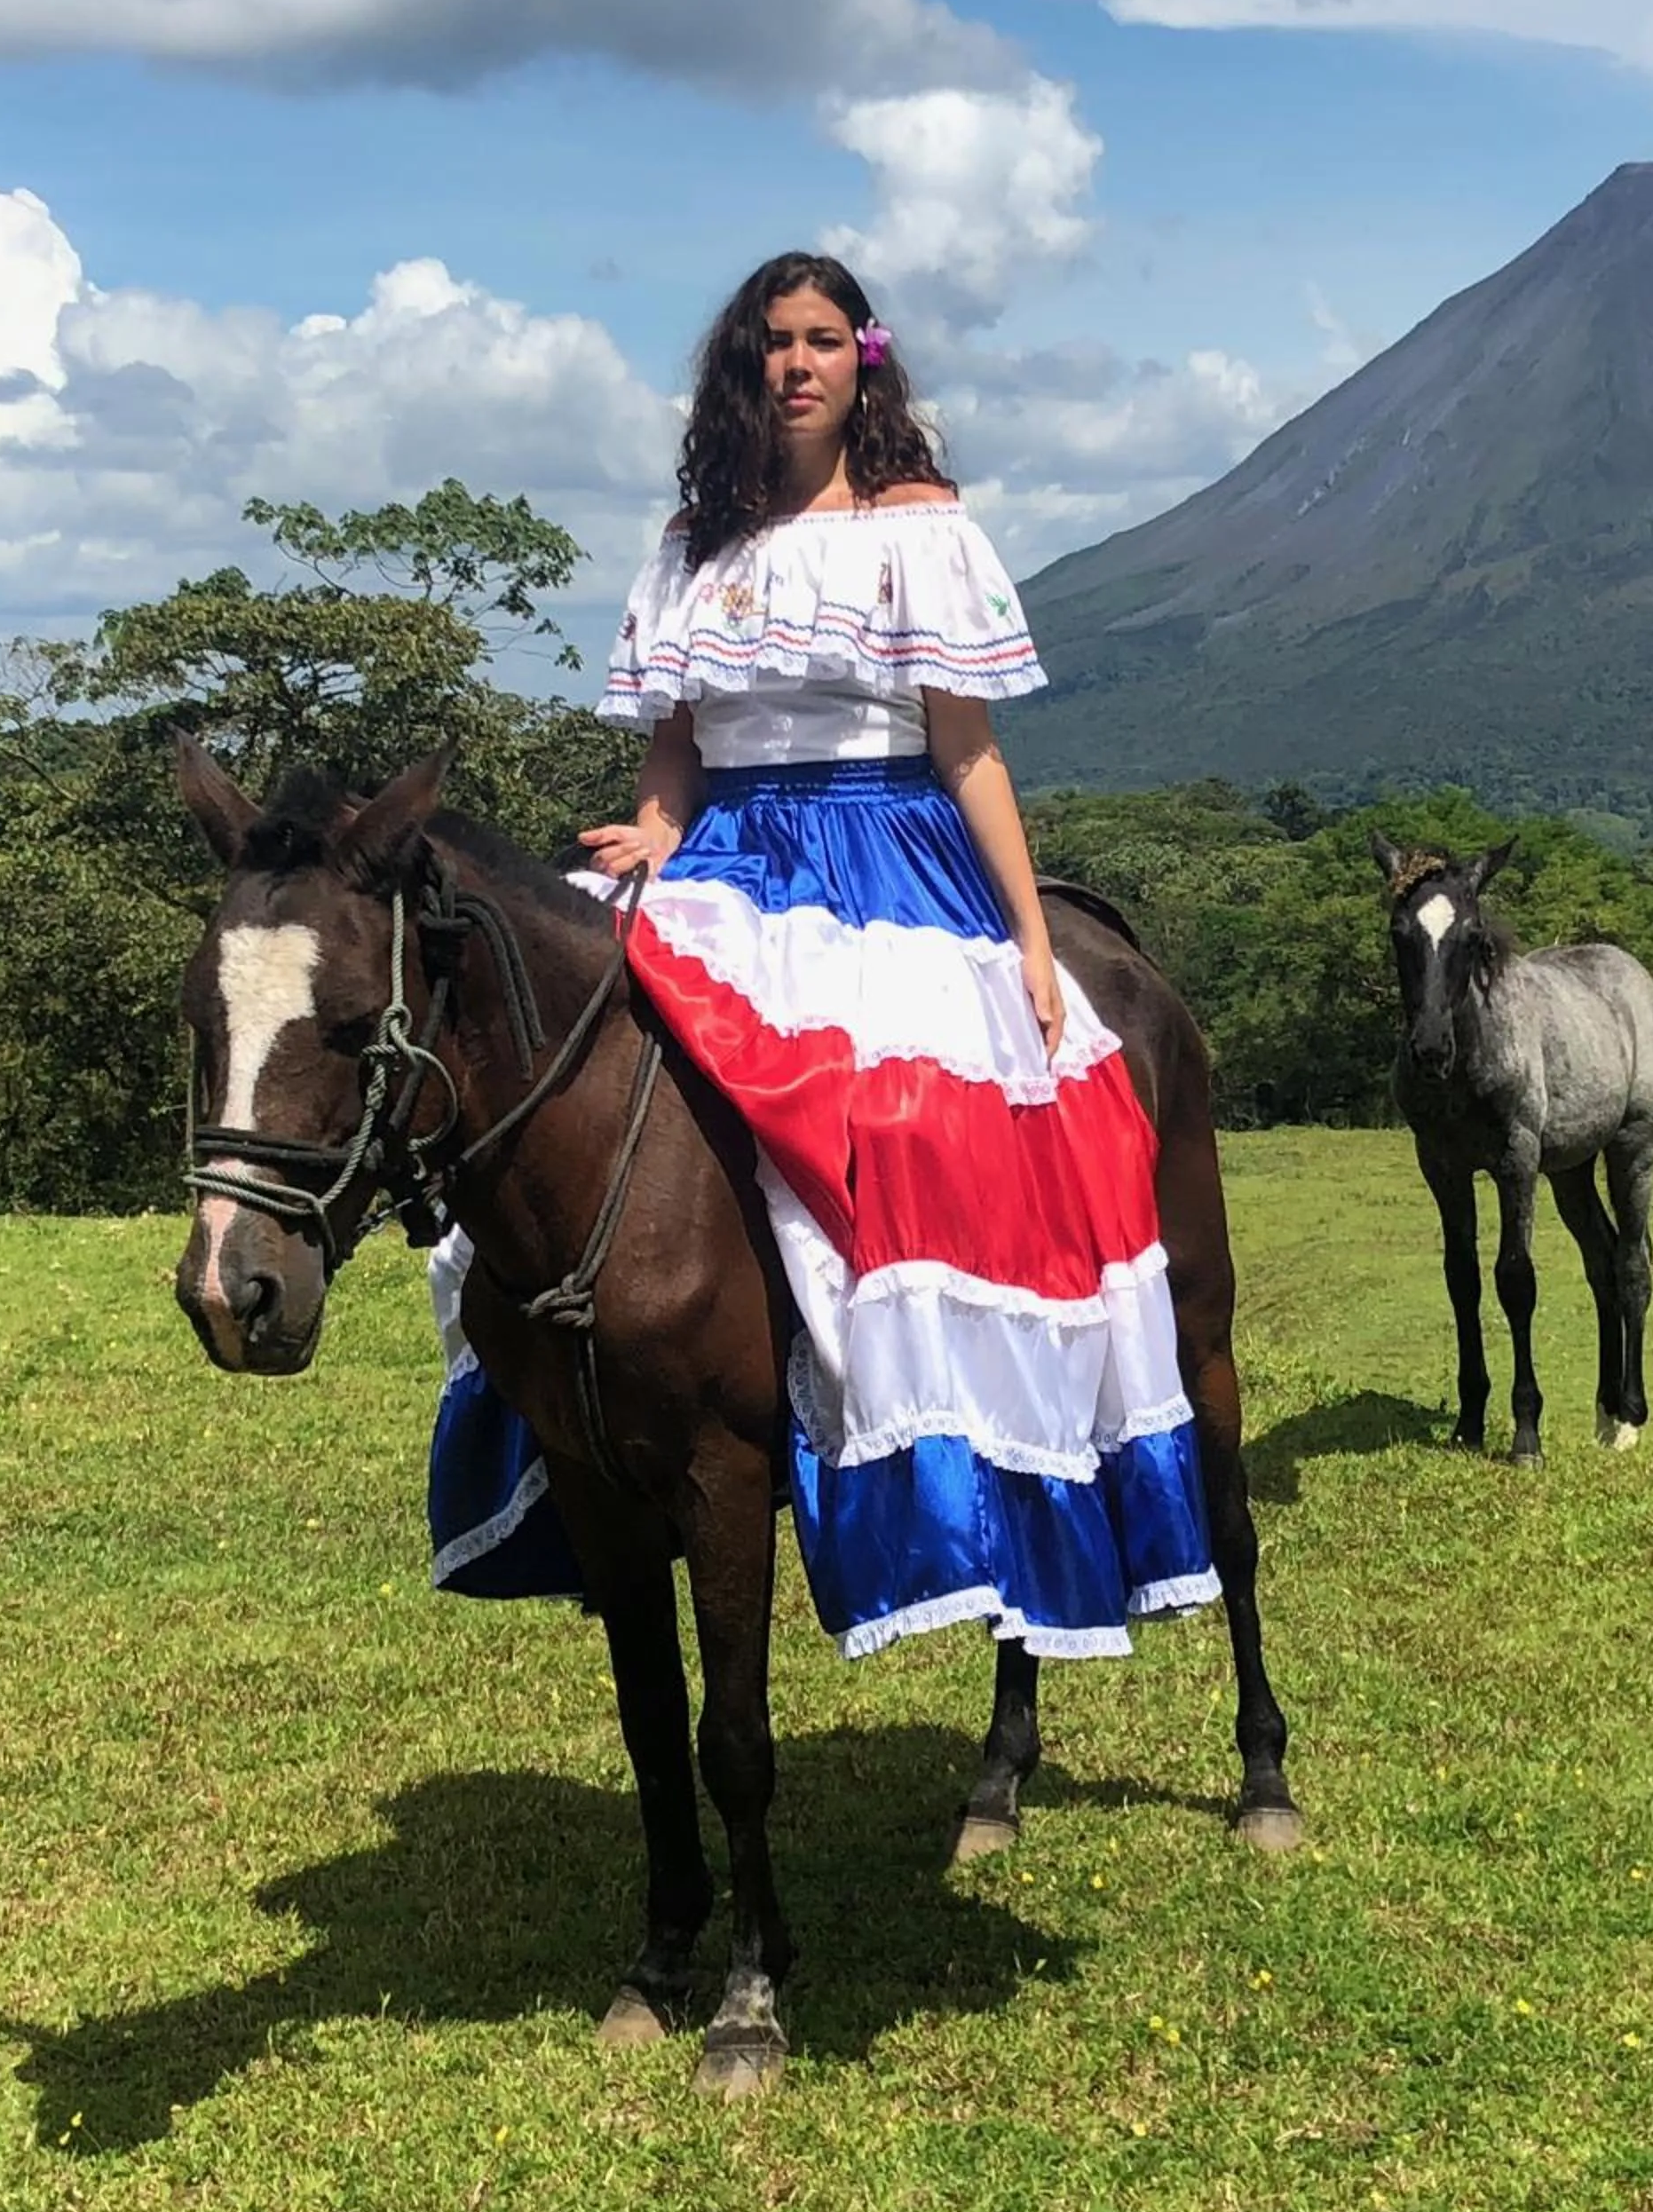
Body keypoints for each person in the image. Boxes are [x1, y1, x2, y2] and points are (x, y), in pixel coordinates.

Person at [427, 251, 1219, 1659]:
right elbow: (677, 743)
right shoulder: (691, 542)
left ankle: (917, 1449)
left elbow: (967, 752)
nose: (796, 364)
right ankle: (581, 1400)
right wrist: (655, 831)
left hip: (891, 859)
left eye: (821, 340)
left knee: (911, 1127)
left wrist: (1032, 939)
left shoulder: (921, 532)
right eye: (772, 345)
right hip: (729, 855)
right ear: (744, 369)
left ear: (867, 361)